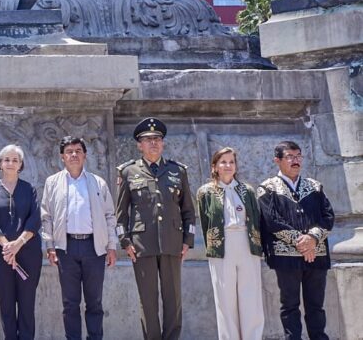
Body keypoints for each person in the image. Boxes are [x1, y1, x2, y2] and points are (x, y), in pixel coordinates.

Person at [115, 117, 195, 340]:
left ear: (163, 143)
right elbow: (121, 214)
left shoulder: (178, 171)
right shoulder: (128, 172)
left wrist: (188, 241)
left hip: (172, 243)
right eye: (148, 139)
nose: (153, 143)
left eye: (157, 139)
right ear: (139, 145)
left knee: (173, 300)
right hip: (142, 245)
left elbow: (189, 211)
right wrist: (125, 242)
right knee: (148, 301)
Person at [40, 136, 117, 340]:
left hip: (94, 247)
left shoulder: (98, 182)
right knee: (70, 303)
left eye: (78, 151)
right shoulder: (52, 183)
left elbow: (110, 215)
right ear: (62, 157)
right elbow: (46, 216)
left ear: (85, 155)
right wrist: (50, 246)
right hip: (66, 248)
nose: (74, 154)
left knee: (94, 302)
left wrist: (111, 246)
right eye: (69, 151)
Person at [258, 141, 334, 340]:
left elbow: (328, 216)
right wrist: (302, 242)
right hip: (286, 258)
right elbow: (272, 221)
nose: (295, 160)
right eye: (290, 157)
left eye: (298, 156)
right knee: (290, 306)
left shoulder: (315, 186)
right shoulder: (267, 188)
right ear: (277, 160)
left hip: (316, 255)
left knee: (316, 306)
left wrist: (312, 238)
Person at [196, 147, 264, 340]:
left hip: (247, 243)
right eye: (223, 162)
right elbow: (205, 222)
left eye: (231, 162)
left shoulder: (247, 190)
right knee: (225, 299)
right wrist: (213, 245)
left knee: (251, 296)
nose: (228, 166)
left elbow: (255, 219)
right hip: (221, 246)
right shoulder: (205, 192)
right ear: (215, 166)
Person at [0, 144, 42, 340]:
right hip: (0, 255)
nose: (10, 163)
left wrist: (18, 244)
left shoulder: (30, 189)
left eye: (15, 160)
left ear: (20, 165)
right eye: (6, 159)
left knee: (27, 304)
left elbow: (35, 220)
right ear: (0, 163)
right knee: (6, 304)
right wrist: (7, 247)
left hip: (28, 253)